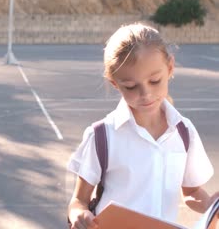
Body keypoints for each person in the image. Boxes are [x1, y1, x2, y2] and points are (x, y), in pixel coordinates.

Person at [66, 23, 218, 229]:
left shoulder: (184, 131)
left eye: (155, 81)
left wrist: (210, 205)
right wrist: (78, 214)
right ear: (114, 83)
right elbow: (79, 201)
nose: (145, 94)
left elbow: (191, 192)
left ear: (170, 68)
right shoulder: (102, 135)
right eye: (130, 86)